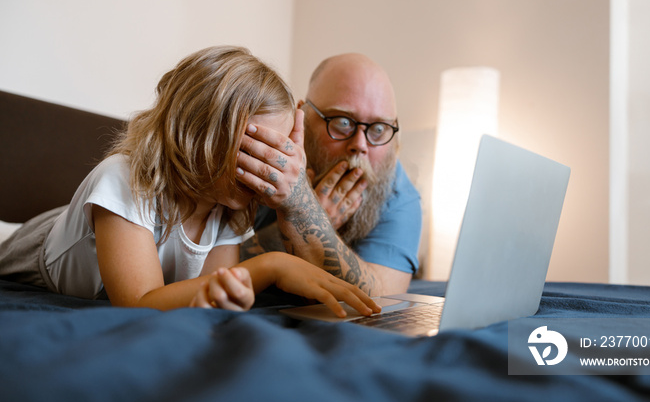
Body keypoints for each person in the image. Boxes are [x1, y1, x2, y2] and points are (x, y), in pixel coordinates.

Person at [0, 46, 380, 318]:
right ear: (197, 133)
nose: (269, 168)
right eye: (255, 149)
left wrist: (229, 295)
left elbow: (215, 287)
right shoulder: (123, 179)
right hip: (33, 248)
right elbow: (140, 303)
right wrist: (272, 266)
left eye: (277, 152)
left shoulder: (228, 207)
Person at [240, 53, 422, 296]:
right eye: (342, 122)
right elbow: (208, 272)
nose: (360, 144)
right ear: (301, 117)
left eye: (379, 129)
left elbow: (383, 297)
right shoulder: (260, 152)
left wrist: (308, 218)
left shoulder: (399, 192)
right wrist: (304, 212)